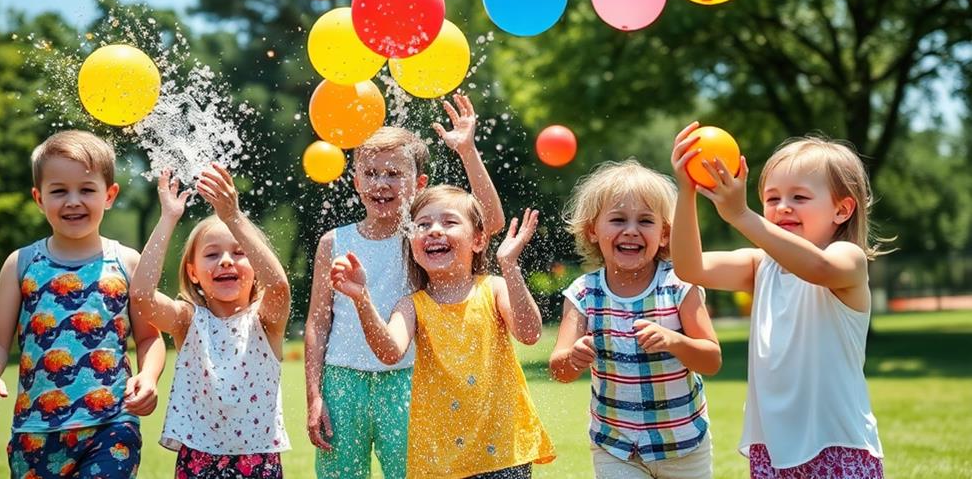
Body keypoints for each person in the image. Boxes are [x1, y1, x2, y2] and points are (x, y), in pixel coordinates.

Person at [305, 94, 505, 479]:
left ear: (419, 183)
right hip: (342, 380)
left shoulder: (420, 237)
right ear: (355, 180)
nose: (381, 183)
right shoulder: (334, 241)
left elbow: (490, 222)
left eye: (394, 174)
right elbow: (317, 323)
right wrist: (315, 395)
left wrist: (467, 152)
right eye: (371, 173)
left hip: (409, 378)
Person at [670, 122, 886, 478]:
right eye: (772, 198)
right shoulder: (761, 265)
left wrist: (741, 215)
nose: (783, 207)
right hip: (772, 448)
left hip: (838, 445)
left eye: (799, 197)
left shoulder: (848, 259)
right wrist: (686, 190)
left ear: (842, 210)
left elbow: (817, 267)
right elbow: (689, 267)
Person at [0, 130, 165, 477]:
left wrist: (148, 377)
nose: (73, 201)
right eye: (59, 191)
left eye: (86, 190)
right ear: (38, 198)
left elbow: (149, 338)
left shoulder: (126, 262)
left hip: (111, 425)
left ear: (109, 195)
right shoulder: (22, 264)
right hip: (35, 430)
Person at [330, 185, 555, 478]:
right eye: (422, 225)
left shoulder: (494, 288)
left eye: (449, 222)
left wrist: (509, 265)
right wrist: (362, 299)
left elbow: (529, 334)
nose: (434, 230)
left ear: (478, 239)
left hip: (502, 451)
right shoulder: (411, 306)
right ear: (412, 244)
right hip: (440, 459)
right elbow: (389, 352)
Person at [549, 159, 720, 479]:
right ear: (592, 230)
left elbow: (711, 360)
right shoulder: (584, 293)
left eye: (645, 221)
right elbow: (560, 370)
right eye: (617, 219)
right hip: (616, 446)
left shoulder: (679, 285)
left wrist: (674, 341)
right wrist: (573, 358)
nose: (631, 230)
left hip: (682, 443)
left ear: (665, 234)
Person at [129, 163, 291, 478]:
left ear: (255, 265)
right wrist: (167, 218)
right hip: (198, 457)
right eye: (212, 254)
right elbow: (141, 297)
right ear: (193, 272)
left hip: (258, 459)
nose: (226, 260)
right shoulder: (187, 320)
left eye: (239, 252)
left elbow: (280, 287)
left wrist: (233, 216)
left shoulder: (265, 321)